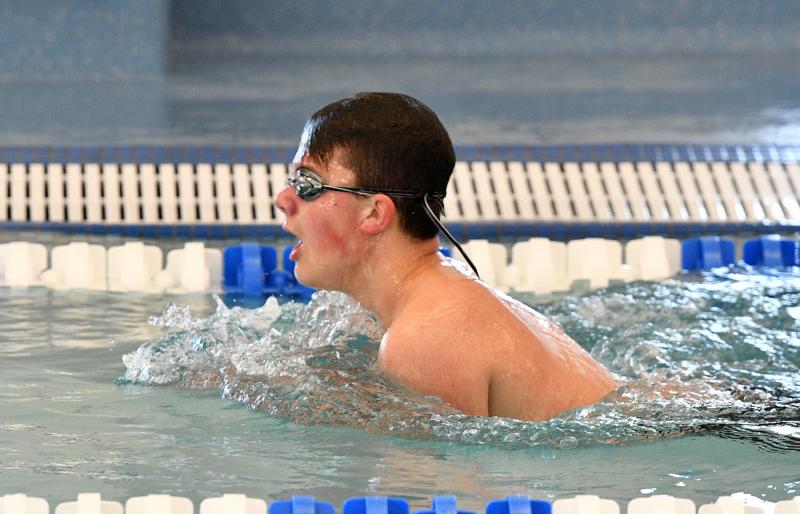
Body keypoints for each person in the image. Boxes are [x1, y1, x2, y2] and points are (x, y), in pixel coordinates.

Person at [274, 92, 617, 421]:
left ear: (375, 214)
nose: (283, 198)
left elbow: (436, 481)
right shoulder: (435, 295)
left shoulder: (423, 337)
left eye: (307, 184)